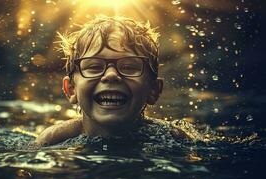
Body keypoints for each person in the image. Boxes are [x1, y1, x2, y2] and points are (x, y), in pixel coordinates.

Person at [35, 16, 200, 146]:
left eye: (128, 67)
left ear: (153, 90)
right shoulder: (53, 139)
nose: (111, 75)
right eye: (93, 66)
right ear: (71, 89)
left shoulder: (174, 138)